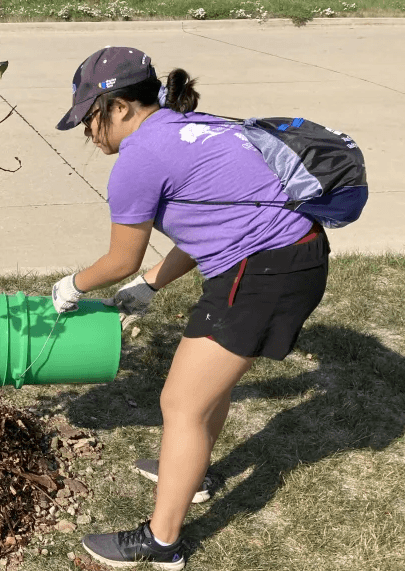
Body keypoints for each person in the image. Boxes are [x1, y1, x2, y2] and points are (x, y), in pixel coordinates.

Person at [51, 47, 329, 569]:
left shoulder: (139, 157)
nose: (89, 133)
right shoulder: (190, 125)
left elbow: (118, 258)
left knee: (180, 404)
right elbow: (209, 221)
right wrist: (152, 284)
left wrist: (73, 284)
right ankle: (191, 473)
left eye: (90, 117)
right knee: (205, 390)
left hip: (263, 273)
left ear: (118, 107)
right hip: (294, 255)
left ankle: (161, 543)